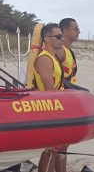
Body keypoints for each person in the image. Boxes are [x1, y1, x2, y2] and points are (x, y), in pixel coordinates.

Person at [33, 23, 64, 172]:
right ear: (46, 39)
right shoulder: (44, 59)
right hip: (49, 109)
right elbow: (49, 91)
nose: (61, 39)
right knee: (49, 151)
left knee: (56, 149)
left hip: (57, 106)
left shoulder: (53, 57)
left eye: (61, 36)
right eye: (58, 36)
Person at [57, 18, 80, 86]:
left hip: (71, 89)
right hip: (64, 92)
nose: (79, 32)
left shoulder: (68, 51)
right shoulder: (59, 50)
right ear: (65, 31)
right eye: (76, 29)